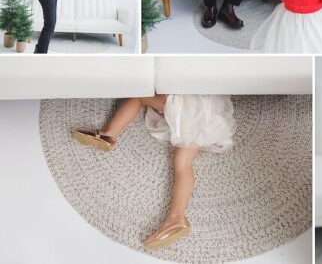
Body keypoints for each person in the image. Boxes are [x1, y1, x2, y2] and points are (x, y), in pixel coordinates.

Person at [71, 94, 236, 250]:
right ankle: (177, 216)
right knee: (183, 163)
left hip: (189, 107)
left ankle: (109, 134)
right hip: (211, 116)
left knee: (138, 95)